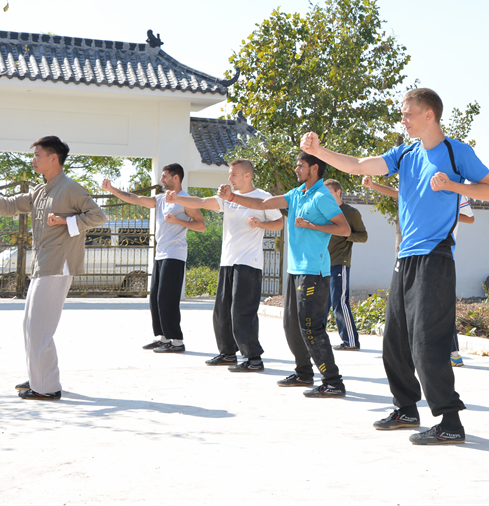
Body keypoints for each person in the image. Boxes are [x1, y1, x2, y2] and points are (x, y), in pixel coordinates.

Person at [301, 88, 489, 446]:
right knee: (394, 339)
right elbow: (361, 165)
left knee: (427, 340)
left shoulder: (456, 152)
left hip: (436, 257)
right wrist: (319, 152)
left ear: (429, 116)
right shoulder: (405, 153)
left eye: (408, 114)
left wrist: (453, 185)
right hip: (406, 257)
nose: (403, 120)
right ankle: (406, 407)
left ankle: (450, 421)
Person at [0, 136, 106, 401]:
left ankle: (47, 387)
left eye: (37, 155)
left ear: (53, 158)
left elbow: (98, 216)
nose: (33, 159)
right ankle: (39, 376)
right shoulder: (41, 190)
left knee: (40, 327)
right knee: (30, 324)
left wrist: (65, 220)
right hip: (43, 265)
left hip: (58, 264)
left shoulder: (70, 188)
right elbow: (11, 205)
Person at [220, 153, 350, 397]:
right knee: (292, 326)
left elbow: (344, 228)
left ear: (314, 168)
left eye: (300, 165)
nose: (296, 168)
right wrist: (233, 197)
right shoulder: (296, 193)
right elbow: (263, 204)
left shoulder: (322, 196)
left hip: (314, 272)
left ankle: (333, 382)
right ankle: (303, 373)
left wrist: (312, 226)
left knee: (311, 327)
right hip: (295, 270)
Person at [164, 159, 283, 372]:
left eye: (234, 175)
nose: (230, 178)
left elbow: (280, 223)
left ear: (247, 175)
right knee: (221, 311)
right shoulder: (226, 197)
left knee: (242, 311)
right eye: (229, 174)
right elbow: (201, 201)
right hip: (227, 260)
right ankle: (227, 353)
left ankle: (253, 358)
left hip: (249, 262)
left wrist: (261, 224)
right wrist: (179, 198)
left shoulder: (263, 198)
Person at [362, 176, 474, 367]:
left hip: (440, 253)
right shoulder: (420, 192)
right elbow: (400, 194)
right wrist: (374, 185)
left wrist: (442, 213)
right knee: (418, 304)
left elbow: (470, 218)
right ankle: (421, 351)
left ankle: (453, 353)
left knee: (438, 305)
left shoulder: (453, 193)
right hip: (416, 254)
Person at [101, 164, 205, 354]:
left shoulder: (186, 200)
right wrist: (112, 190)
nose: (161, 180)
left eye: (164, 176)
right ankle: (164, 338)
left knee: (167, 299)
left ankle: (177, 341)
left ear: (176, 178)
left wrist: (178, 221)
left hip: (175, 254)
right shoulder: (159, 199)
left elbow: (201, 225)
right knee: (156, 298)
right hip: (161, 254)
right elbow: (135, 198)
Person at [323, 179, 368, 351]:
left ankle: (351, 341)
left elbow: (363, 236)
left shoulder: (351, 212)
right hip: (321, 264)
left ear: (338, 192)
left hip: (339, 262)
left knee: (339, 301)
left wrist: (345, 234)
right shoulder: (323, 212)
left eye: (330, 193)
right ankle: (318, 339)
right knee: (321, 304)